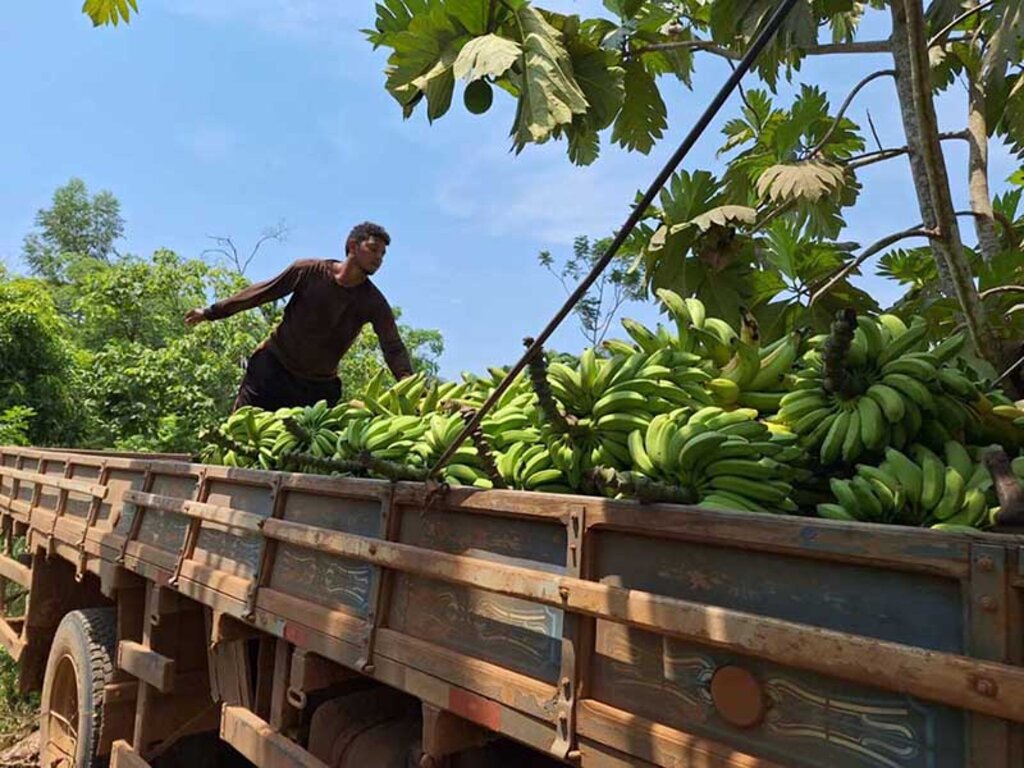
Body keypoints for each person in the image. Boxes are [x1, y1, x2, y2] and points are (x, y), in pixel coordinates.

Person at [185, 221, 413, 411]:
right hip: (273, 370)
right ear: (353, 246)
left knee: (304, 454)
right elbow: (261, 293)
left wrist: (408, 383)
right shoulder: (309, 271)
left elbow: (392, 346)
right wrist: (210, 312)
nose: (378, 258)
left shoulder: (374, 302)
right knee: (241, 434)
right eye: (373, 249)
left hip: (317, 388)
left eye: (383, 254)